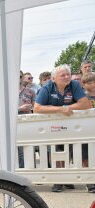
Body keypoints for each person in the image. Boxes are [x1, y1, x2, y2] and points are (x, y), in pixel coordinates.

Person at [34, 64, 91, 192]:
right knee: (56, 152)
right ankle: (59, 180)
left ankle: (89, 180)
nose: (66, 77)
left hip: (75, 127)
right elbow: (37, 108)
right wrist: (60, 109)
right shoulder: (47, 87)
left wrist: (69, 108)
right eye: (63, 75)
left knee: (82, 151)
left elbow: (86, 104)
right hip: (53, 127)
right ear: (53, 78)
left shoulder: (74, 85)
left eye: (68, 74)